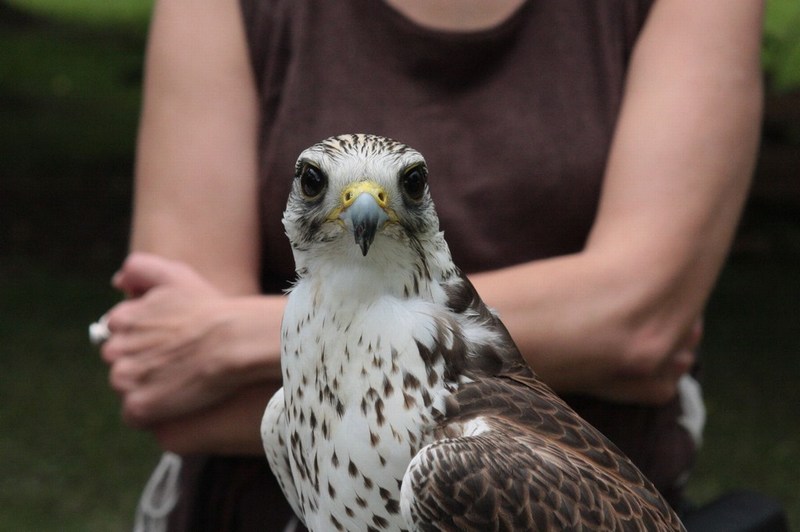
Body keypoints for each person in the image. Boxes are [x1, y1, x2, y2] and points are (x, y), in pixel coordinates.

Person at [98, 0, 764, 530]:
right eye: (317, 186)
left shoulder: (474, 465)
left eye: (407, 187)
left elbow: (643, 320)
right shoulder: (291, 420)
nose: (365, 206)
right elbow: (171, 398)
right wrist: (590, 339)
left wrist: (219, 341)